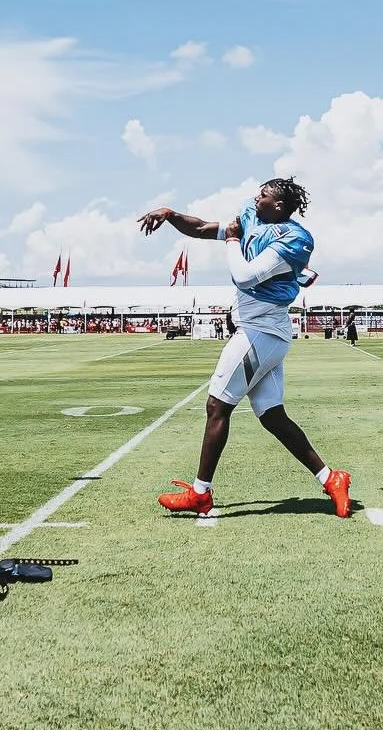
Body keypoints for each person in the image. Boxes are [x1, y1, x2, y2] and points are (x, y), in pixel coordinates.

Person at [138, 178, 351, 519]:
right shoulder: (253, 216)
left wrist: (233, 242)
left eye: (263, 194)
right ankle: (331, 478)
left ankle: (200, 494)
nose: (256, 197)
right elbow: (205, 228)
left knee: (216, 406)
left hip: (259, 333)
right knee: (272, 416)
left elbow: (246, 276)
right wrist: (170, 214)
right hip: (265, 334)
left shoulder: (295, 238)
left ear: (279, 205)